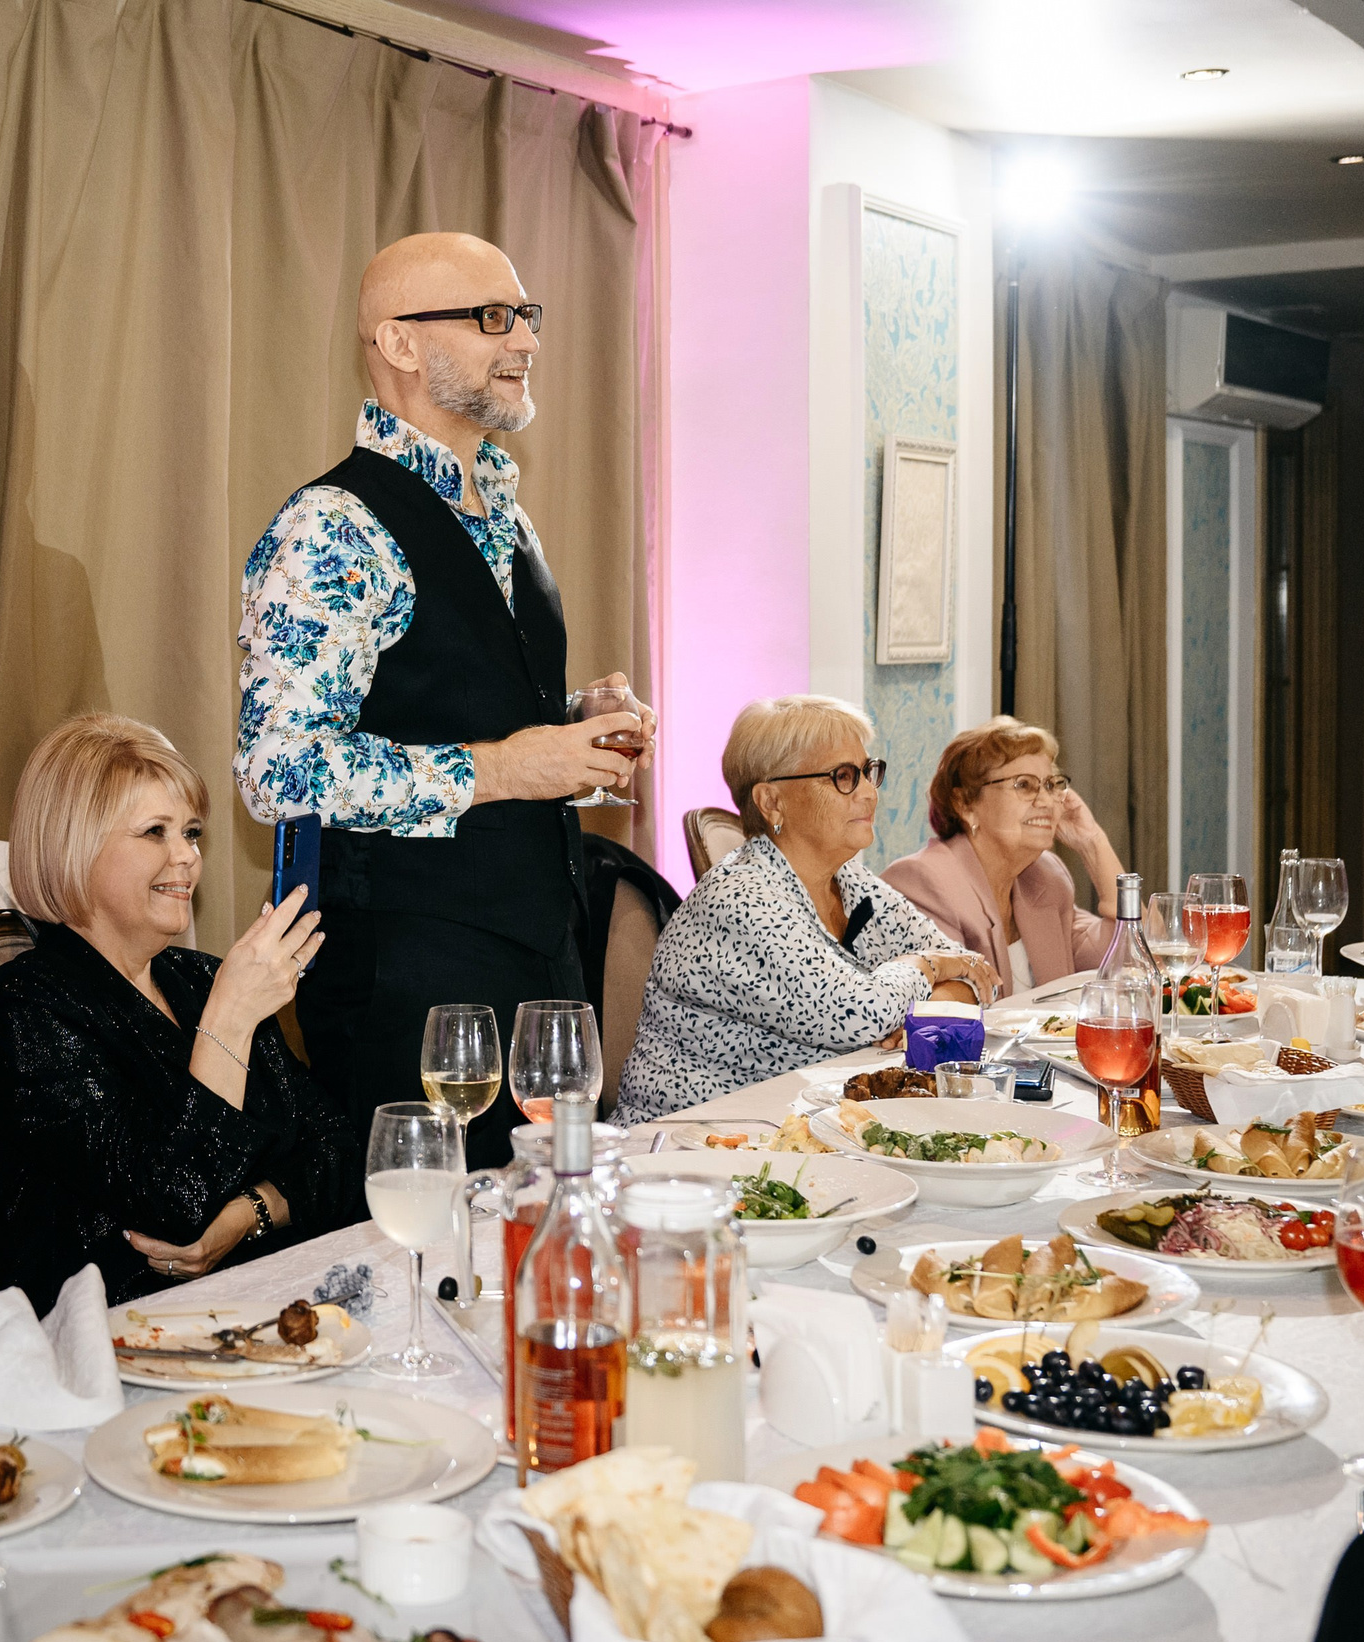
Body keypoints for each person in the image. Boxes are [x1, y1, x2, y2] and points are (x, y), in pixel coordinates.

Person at [235, 230, 653, 1171]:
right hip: (408, 990)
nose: (527, 343)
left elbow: (456, 702)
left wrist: (579, 726)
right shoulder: (332, 526)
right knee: (421, 1274)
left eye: (525, 317)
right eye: (493, 318)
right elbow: (279, 767)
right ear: (401, 344)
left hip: (541, 956)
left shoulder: (504, 506)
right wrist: (510, 765)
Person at [0, 715, 363, 1314]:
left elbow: (340, 1151)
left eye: (192, 832)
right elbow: (173, 1204)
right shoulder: (25, 1007)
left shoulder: (201, 978)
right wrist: (228, 1021)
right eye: (155, 831)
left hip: (265, 1306)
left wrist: (248, 1214)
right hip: (117, 1344)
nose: (187, 858)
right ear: (76, 844)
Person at [613, 695, 998, 1123]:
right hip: (687, 1146)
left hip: (793, 1136)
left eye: (868, 772)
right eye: (844, 776)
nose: (869, 792)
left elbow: (979, 976)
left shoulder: (851, 880)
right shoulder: (739, 897)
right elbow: (861, 1015)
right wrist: (926, 967)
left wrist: (914, 1014)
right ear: (772, 802)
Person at [881, 717, 1122, 994]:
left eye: (1051, 785)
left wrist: (1093, 842)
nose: (1044, 800)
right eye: (1024, 785)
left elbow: (1128, 959)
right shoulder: (924, 882)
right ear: (965, 804)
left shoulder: (1045, 875)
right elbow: (947, 1011)